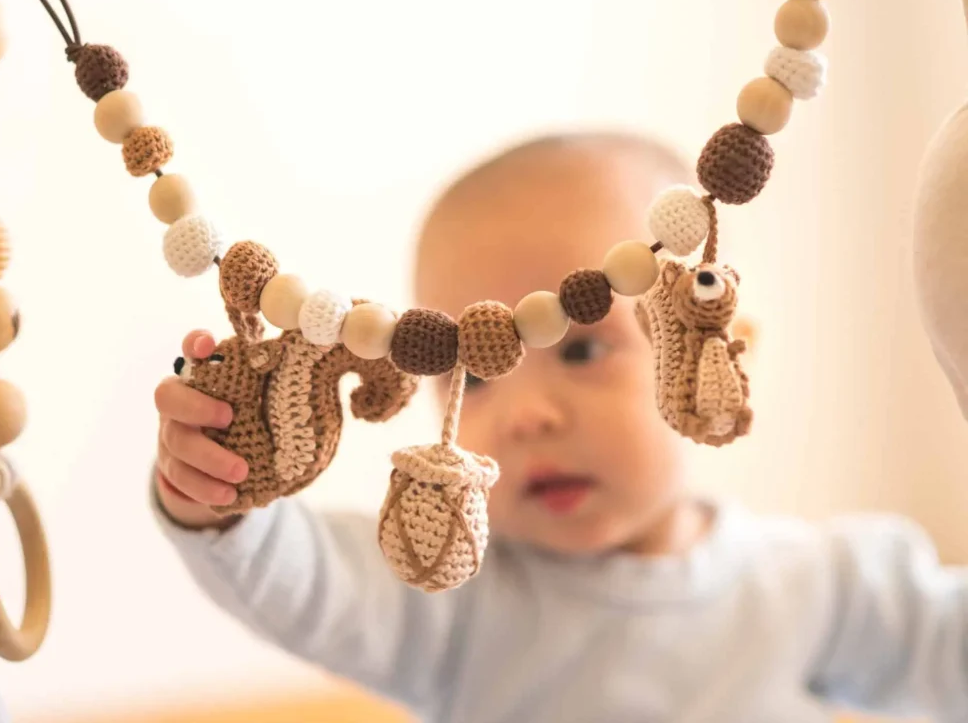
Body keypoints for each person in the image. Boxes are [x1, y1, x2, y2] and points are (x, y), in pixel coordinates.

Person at [151, 131, 968, 722]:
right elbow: (314, 584)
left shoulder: (822, 589)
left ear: (716, 353)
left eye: (580, 351)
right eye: (470, 377)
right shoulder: (454, 604)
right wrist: (224, 499)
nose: (527, 416)